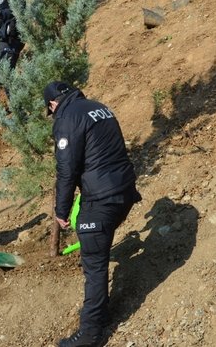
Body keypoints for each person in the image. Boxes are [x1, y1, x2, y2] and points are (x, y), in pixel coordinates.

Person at [44, 81, 142, 347]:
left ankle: (90, 333)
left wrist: (61, 211)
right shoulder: (100, 108)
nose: (53, 115)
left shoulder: (67, 117)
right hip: (124, 192)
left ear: (53, 104)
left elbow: (66, 170)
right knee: (97, 252)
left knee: (94, 264)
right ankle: (99, 312)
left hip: (102, 199)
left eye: (50, 110)